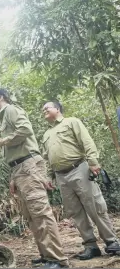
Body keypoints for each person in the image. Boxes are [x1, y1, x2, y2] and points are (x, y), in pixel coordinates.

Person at [0, 88, 69, 269]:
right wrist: (13, 176)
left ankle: (57, 259)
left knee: (40, 212)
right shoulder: (3, 116)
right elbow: (15, 150)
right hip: (19, 168)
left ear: (1, 97)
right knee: (31, 214)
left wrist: (2, 141)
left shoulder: (11, 110)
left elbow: (25, 129)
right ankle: (46, 255)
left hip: (28, 165)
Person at [41, 101, 120, 259]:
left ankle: (111, 242)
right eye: (42, 109)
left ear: (57, 109)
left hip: (79, 169)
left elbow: (87, 141)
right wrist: (49, 176)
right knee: (76, 212)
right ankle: (90, 246)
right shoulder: (46, 134)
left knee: (95, 206)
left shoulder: (71, 122)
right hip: (61, 176)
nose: (44, 110)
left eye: (47, 107)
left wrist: (93, 162)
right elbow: (47, 157)